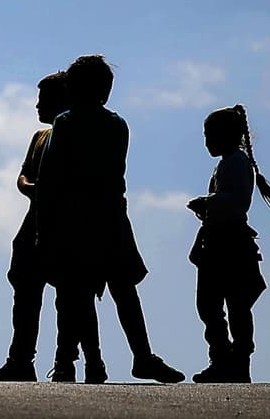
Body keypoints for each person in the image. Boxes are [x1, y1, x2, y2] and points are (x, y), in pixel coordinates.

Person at [37, 55, 184, 384]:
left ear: (72, 89)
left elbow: (50, 180)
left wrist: (43, 228)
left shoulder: (64, 124)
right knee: (123, 290)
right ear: (106, 90)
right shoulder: (117, 125)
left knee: (75, 294)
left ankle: (68, 362)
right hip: (111, 218)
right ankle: (141, 356)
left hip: (75, 220)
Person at [188, 104, 270, 383]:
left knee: (233, 306)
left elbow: (235, 202)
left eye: (210, 135)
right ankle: (222, 357)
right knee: (212, 305)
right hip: (219, 242)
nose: (207, 141)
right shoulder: (229, 163)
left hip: (230, 244)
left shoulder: (236, 163)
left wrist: (206, 202)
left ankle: (234, 360)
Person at [0, 72, 67, 382]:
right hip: (32, 223)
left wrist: (40, 189)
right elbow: (23, 175)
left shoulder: (68, 135)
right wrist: (33, 188)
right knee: (25, 294)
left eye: (43, 99)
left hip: (59, 224)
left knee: (66, 297)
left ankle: (64, 360)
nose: (37, 105)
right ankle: (21, 359)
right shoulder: (39, 137)